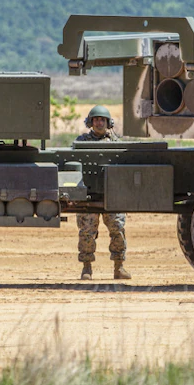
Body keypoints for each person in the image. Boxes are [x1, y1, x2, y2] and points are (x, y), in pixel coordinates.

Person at [74, 105, 131, 280]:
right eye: (96, 119)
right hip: (89, 196)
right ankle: (86, 268)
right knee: (87, 233)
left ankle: (119, 267)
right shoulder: (81, 142)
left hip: (112, 195)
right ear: (90, 122)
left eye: (102, 120)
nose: (99, 123)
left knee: (118, 230)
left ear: (108, 122)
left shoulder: (116, 143)